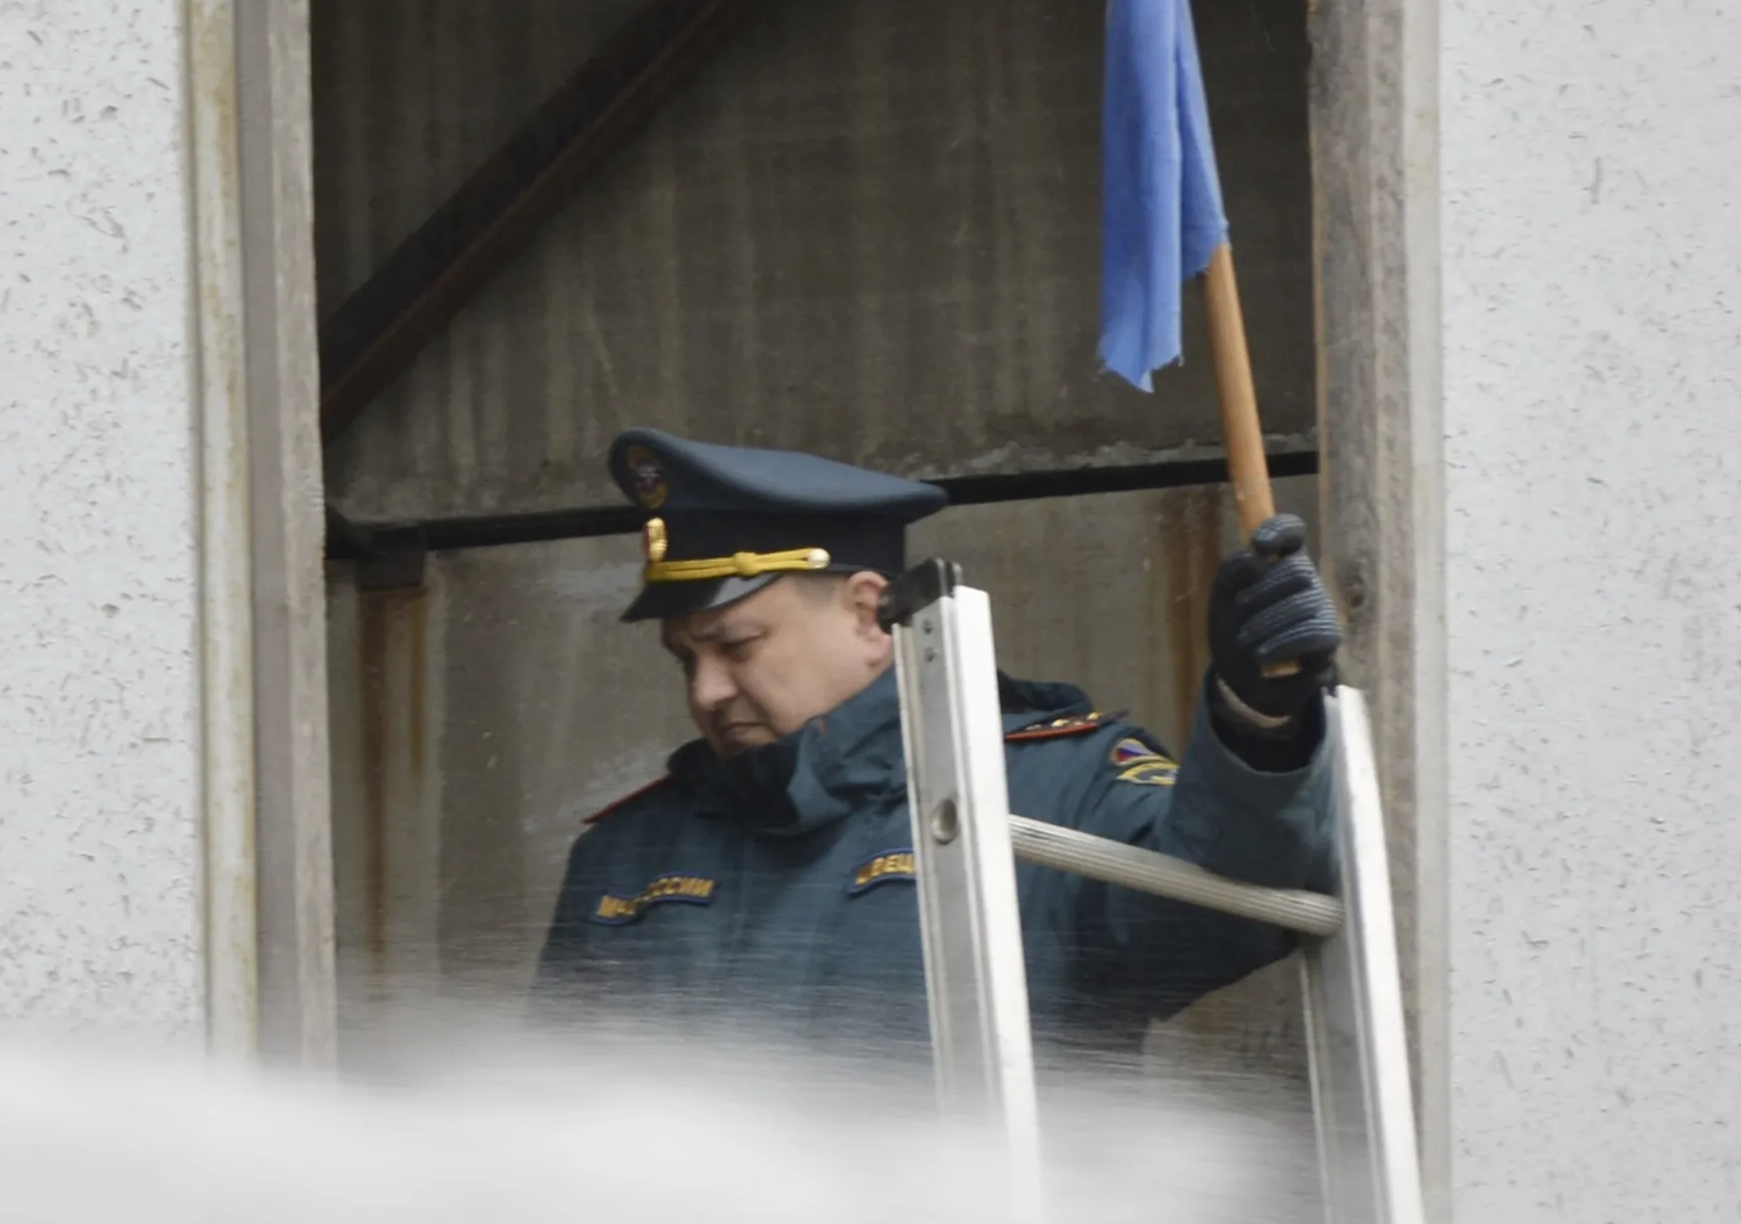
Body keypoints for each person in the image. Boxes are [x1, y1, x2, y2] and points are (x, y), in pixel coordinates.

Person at [538, 426, 1343, 1058]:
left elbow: (1238, 895)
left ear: (865, 612)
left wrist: (1258, 718)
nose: (706, 691)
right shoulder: (626, 854)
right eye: (686, 660)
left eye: (736, 646)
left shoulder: (1056, 791)